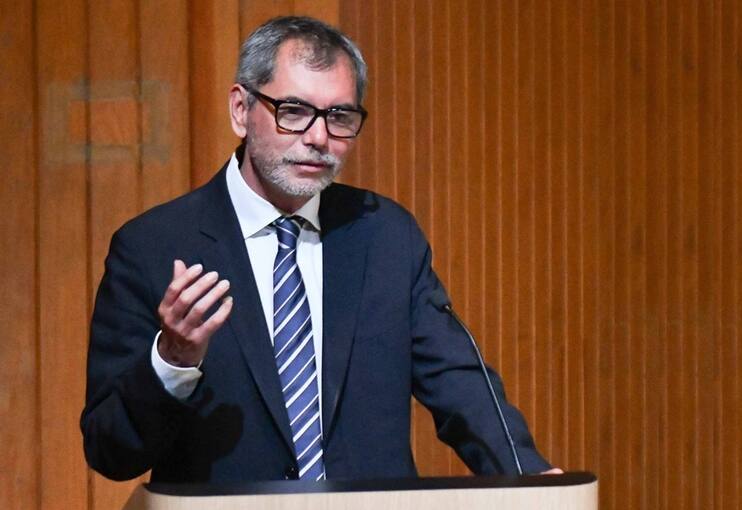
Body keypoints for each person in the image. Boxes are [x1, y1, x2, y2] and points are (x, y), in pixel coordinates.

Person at [81, 15, 557, 482]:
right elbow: (109, 450)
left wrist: (529, 480)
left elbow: (460, 383)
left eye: (339, 117)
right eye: (293, 112)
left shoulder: (385, 236)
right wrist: (174, 359)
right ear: (241, 110)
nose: (318, 138)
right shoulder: (152, 247)